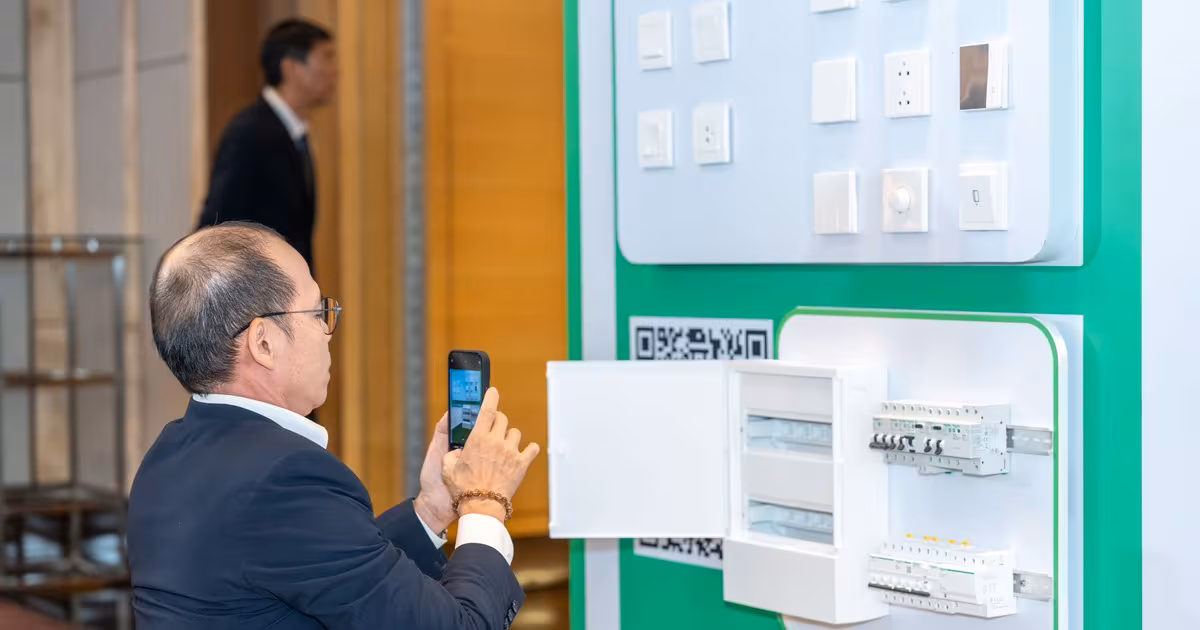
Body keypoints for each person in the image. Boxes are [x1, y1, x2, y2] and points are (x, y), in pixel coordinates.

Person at [129, 222, 541, 629]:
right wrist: (484, 501)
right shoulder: (283, 477)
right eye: (317, 312)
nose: (328, 332)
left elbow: (335, 572)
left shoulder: (166, 456)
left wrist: (432, 509)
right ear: (264, 343)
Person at [196, 19, 335, 273]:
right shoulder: (250, 133)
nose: (334, 71)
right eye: (326, 58)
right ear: (292, 67)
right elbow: (218, 229)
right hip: (258, 293)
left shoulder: (292, 133)